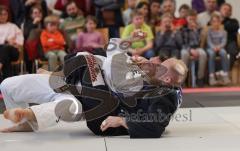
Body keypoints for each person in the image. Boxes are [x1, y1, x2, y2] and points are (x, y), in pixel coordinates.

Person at [0, 31, 188, 139]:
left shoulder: (167, 94)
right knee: (8, 85)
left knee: (87, 66)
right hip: (74, 84)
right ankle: (25, 121)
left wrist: (122, 121)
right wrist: (130, 42)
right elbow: (114, 51)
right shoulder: (144, 73)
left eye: (160, 66)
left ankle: (31, 116)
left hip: (100, 107)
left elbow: (156, 124)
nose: (155, 64)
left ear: (168, 80)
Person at [180, 10, 207, 87]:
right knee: (184, 54)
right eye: (190, 19)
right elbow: (182, 43)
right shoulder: (183, 29)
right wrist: (190, 50)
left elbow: (199, 42)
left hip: (197, 48)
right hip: (186, 48)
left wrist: (195, 31)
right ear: (187, 19)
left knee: (203, 54)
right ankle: (183, 79)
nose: (192, 21)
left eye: (193, 19)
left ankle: (200, 78)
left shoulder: (198, 29)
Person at [0, 5, 24, 80]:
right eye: (1, 14)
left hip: (13, 51)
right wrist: (6, 41)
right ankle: (6, 83)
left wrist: (14, 42)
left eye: (5, 14)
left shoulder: (13, 26)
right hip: (3, 52)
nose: (3, 16)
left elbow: (21, 41)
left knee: (6, 48)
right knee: (5, 57)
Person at [207, 13, 230, 86]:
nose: (216, 23)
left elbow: (224, 42)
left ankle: (225, 75)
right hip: (211, 48)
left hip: (220, 47)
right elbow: (209, 41)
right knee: (211, 54)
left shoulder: (224, 32)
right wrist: (213, 47)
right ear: (211, 23)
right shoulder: (209, 31)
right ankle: (211, 76)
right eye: (214, 21)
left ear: (220, 22)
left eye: (217, 21)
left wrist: (219, 47)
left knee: (224, 53)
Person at [220, 3, 240, 69]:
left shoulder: (234, 21)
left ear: (231, 12)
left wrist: (220, 26)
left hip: (230, 42)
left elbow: (234, 27)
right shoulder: (214, 20)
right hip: (216, 43)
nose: (226, 11)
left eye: (229, 10)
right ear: (220, 10)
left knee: (233, 49)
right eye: (225, 9)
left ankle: (227, 71)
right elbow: (208, 28)